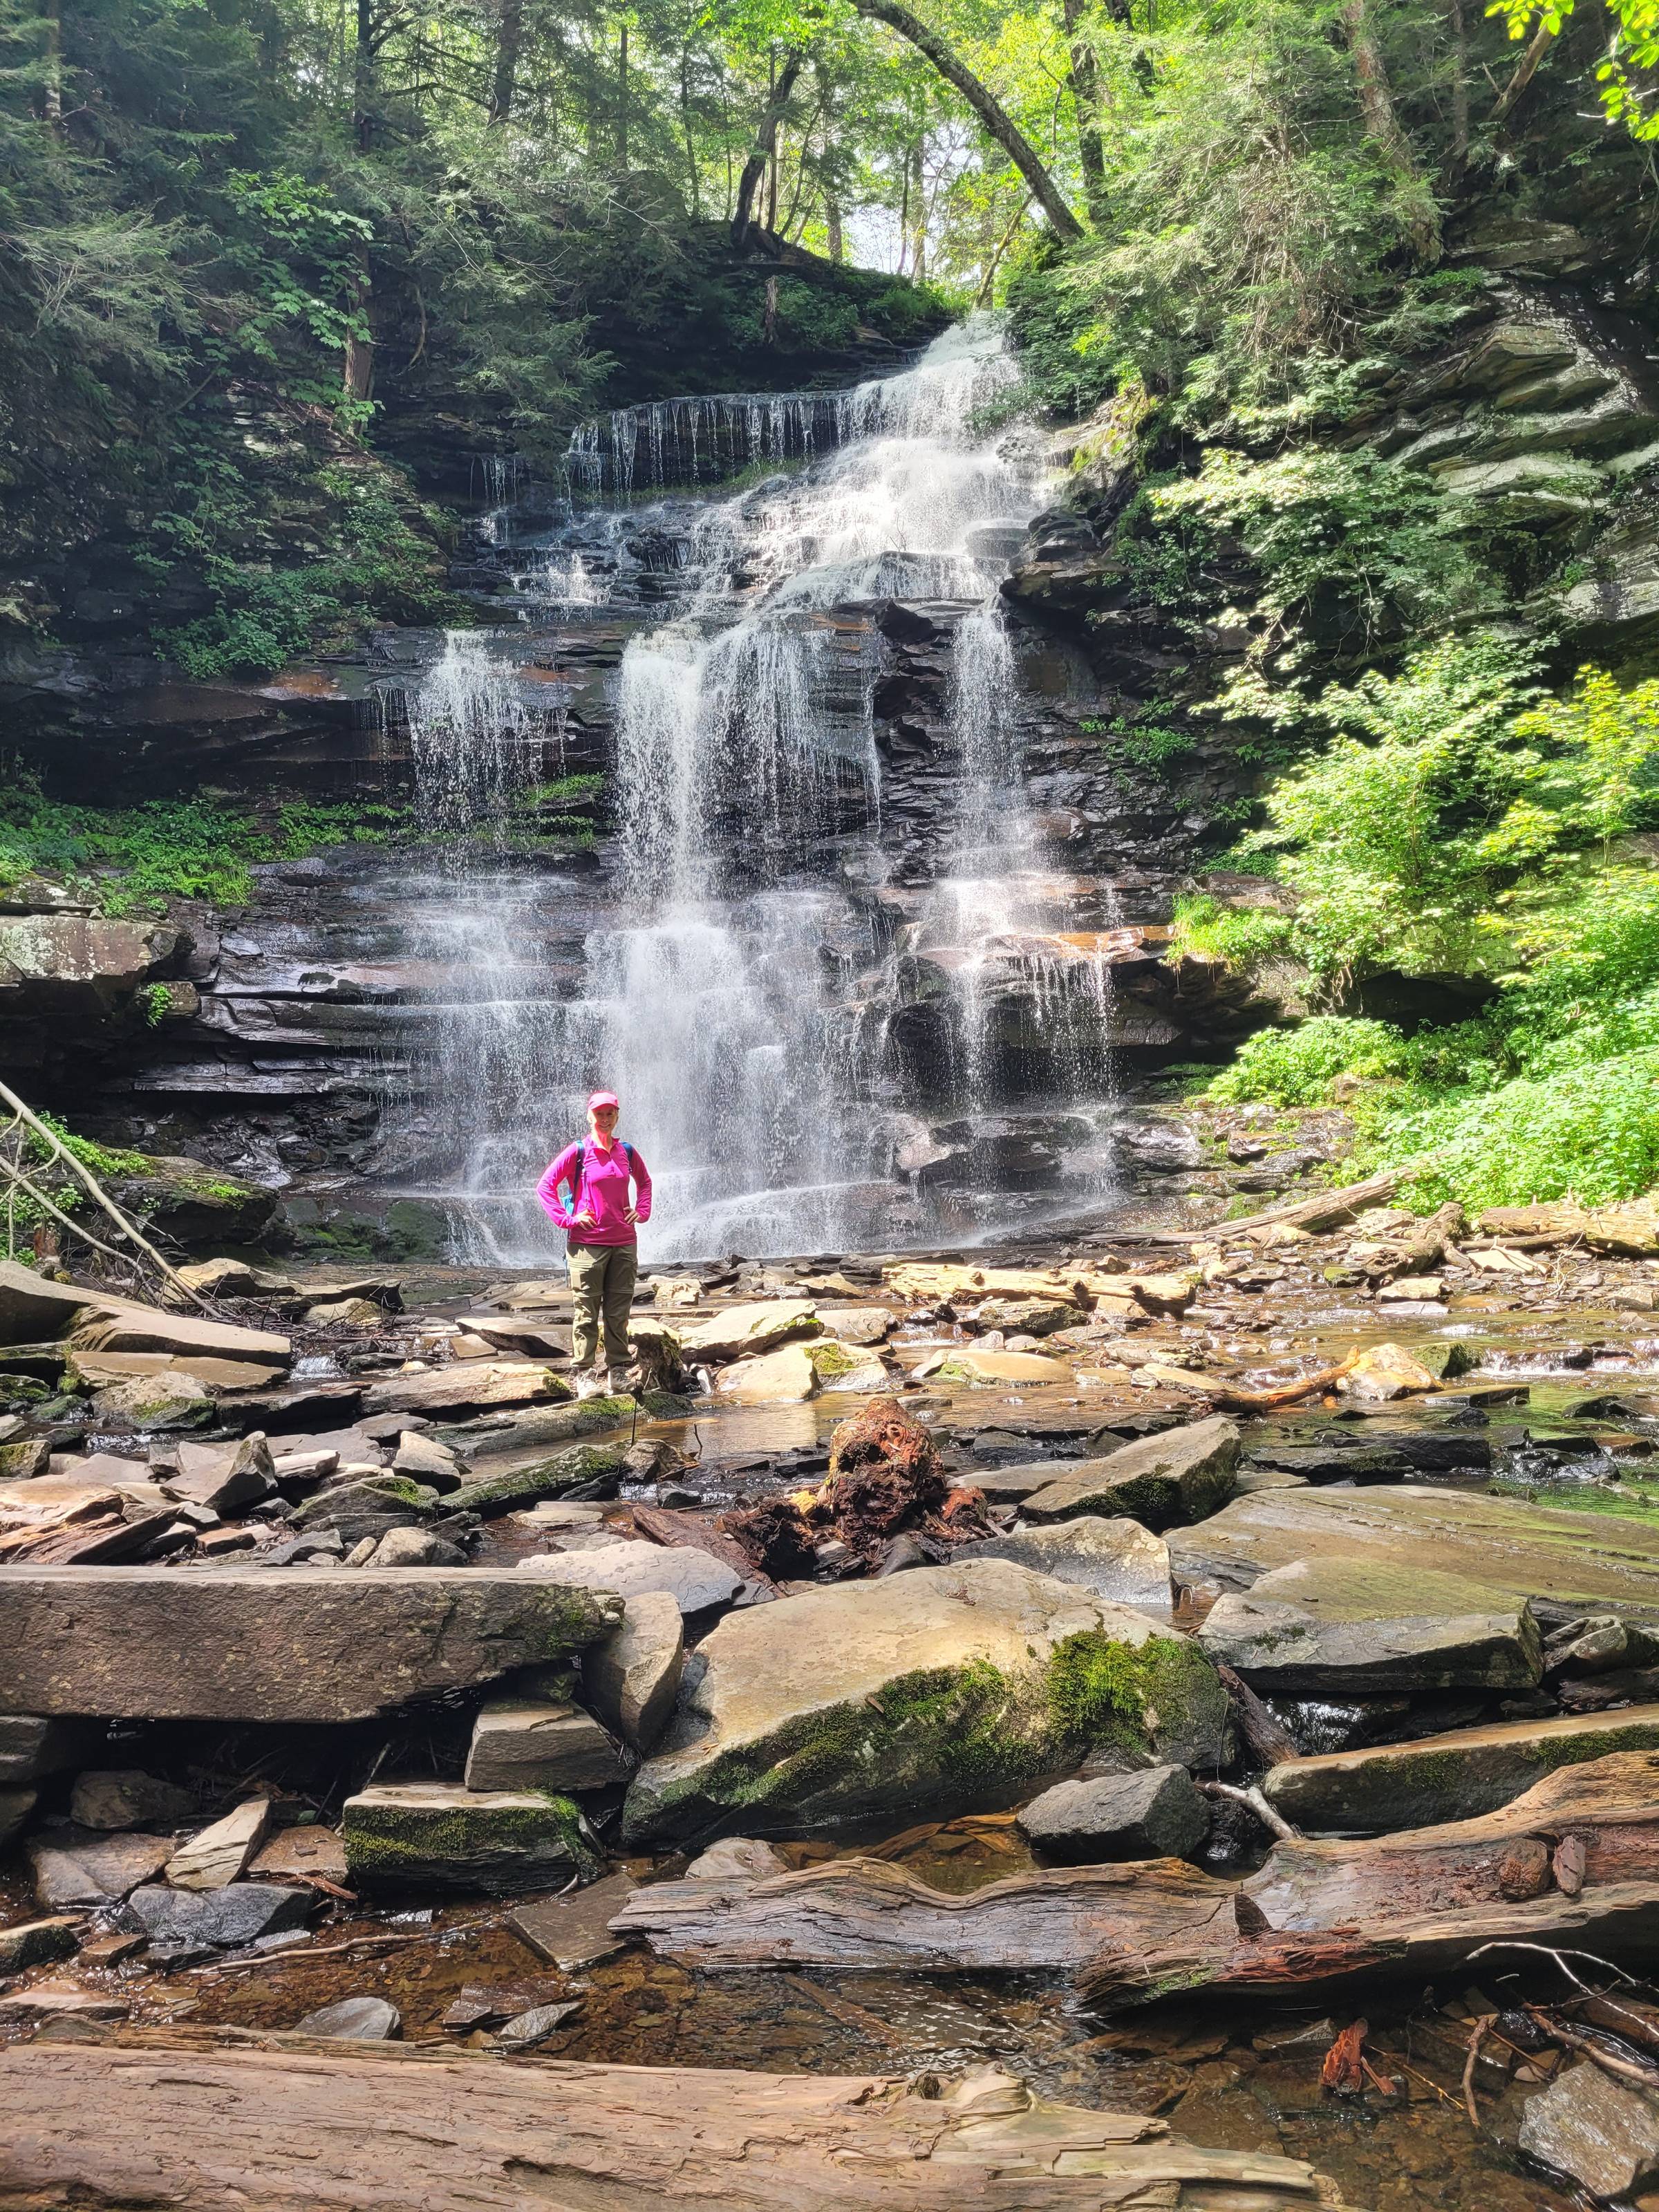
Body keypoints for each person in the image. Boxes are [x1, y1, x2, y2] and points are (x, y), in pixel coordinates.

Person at [536, 1091, 653, 1398]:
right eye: (599, 1114)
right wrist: (567, 1219)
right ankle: (585, 1376)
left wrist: (641, 1212)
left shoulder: (626, 1151)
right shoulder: (578, 1152)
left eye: (610, 1114)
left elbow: (645, 1182)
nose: (605, 1119)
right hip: (587, 1244)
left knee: (618, 1313)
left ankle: (618, 1373)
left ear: (617, 1116)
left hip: (624, 1243)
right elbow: (545, 1185)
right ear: (590, 1116)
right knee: (586, 1312)